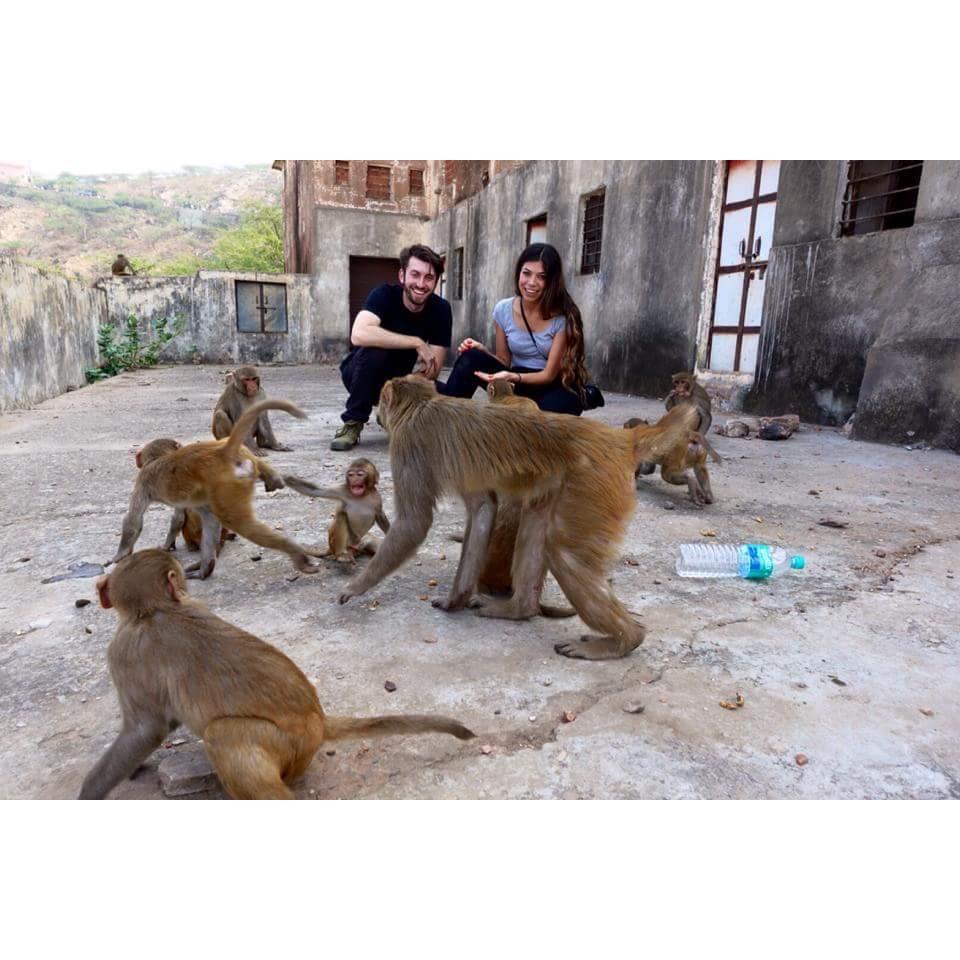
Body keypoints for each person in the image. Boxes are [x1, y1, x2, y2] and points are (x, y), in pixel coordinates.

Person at [436, 242, 589, 415]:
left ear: (551, 281)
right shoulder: (503, 310)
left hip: (549, 386)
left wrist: (512, 377)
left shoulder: (562, 318)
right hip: (515, 382)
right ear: (518, 273)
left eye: (541, 276)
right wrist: (482, 350)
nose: (532, 282)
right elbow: (504, 361)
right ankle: (447, 414)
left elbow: (548, 375)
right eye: (526, 273)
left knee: (557, 407)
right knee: (470, 357)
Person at [331, 245, 452, 450]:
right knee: (374, 352)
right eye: (415, 274)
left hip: (399, 379)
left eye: (429, 278)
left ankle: (389, 412)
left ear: (436, 282)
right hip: (360, 373)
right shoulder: (384, 294)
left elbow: (433, 368)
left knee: (446, 393)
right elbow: (359, 334)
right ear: (402, 275)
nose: (421, 284)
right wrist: (416, 342)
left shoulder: (441, 309)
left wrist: (399, 392)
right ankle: (353, 421)